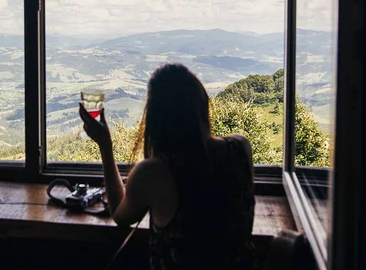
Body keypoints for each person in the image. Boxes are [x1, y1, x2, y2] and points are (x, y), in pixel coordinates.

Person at [80, 63, 257, 270]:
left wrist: (105, 145)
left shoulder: (153, 172)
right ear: (201, 105)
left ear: (156, 117)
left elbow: (120, 215)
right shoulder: (240, 147)